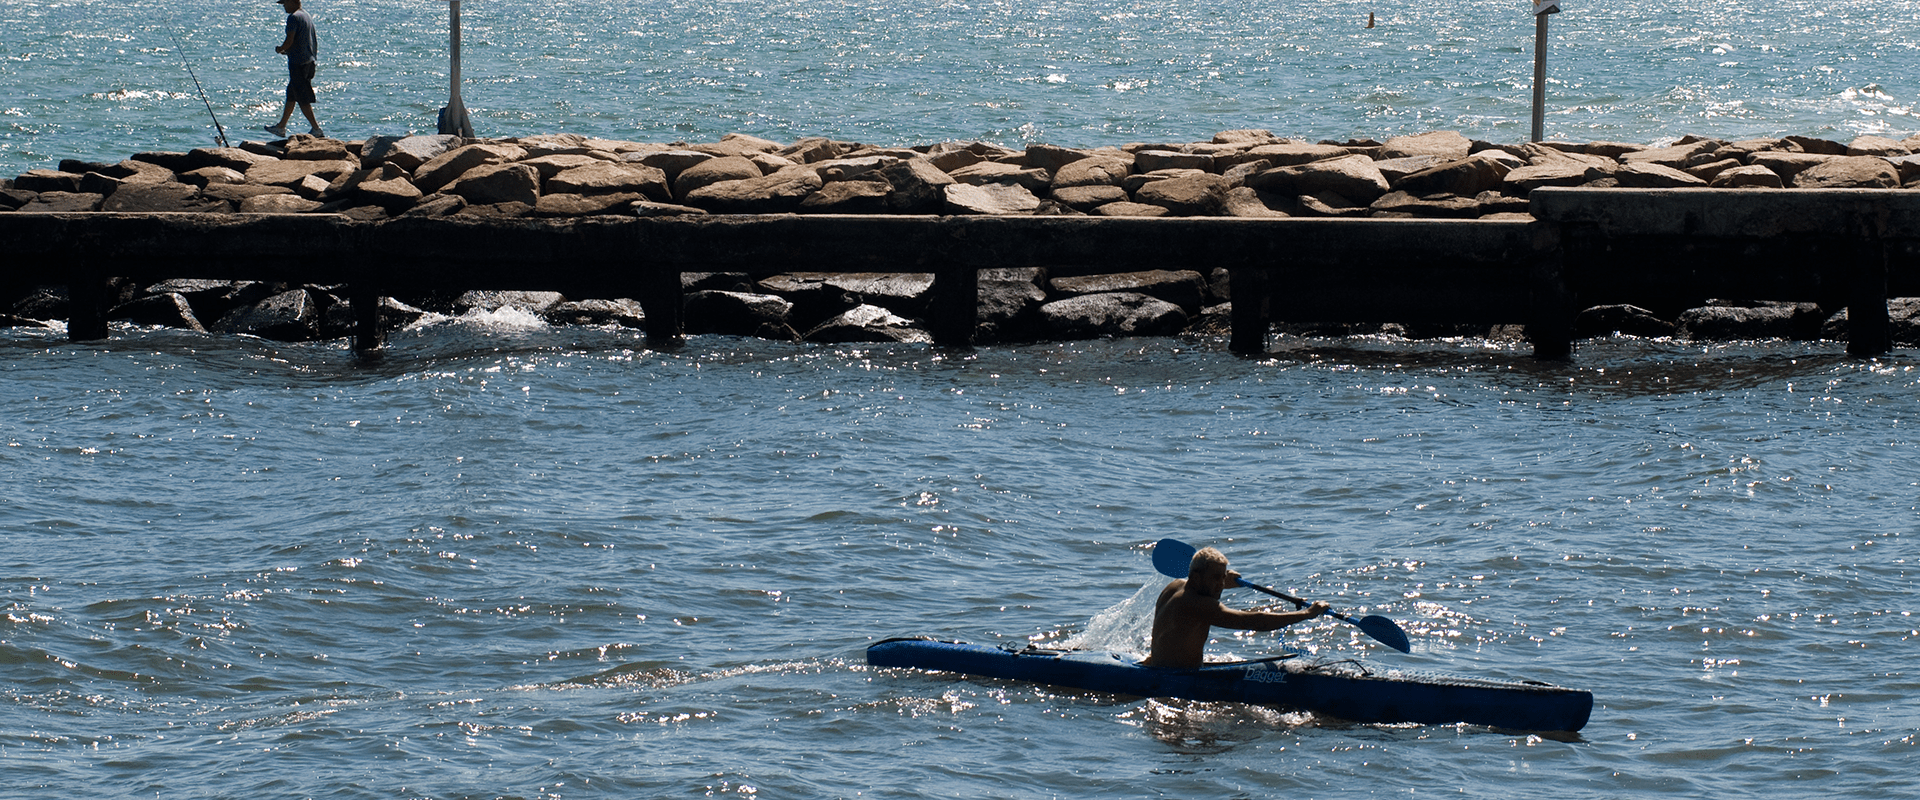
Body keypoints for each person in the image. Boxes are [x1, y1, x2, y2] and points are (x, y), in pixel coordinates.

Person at [1141, 546, 1329, 669]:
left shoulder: (1175, 586)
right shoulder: (1198, 604)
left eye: (1223, 578)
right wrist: (1306, 613)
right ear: (1197, 577)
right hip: (1176, 677)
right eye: (1216, 578)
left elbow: (1204, 586)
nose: (1221, 584)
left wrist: (1223, 580)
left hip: (1157, 665)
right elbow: (1253, 621)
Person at [265, 0, 323, 139]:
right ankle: (281, 127)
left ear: (292, 2)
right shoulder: (306, 15)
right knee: (291, 94)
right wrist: (290, 50)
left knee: (302, 98)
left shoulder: (293, 17)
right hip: (309, 61)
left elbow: (289, 39)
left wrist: (281, 48)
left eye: (285, 3)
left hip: (299, 63)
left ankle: (316, 129)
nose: (284, 6)